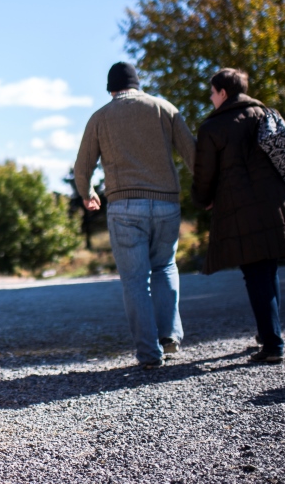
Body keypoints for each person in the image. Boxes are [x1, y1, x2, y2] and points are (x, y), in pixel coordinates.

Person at [74, 62, 196, 369]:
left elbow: (82, 166)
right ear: (137, 84)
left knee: (135, 281)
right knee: (166, 266)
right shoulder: (164, 108)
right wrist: (205, 191)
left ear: (111, 89)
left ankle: (148, 353)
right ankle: (169, 337)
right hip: (167, 204)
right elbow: (192, 153)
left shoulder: (100, 117)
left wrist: (88, 193)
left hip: (125, 208)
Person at [192, 69, 285, 364]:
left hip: (239, 210)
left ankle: (272, 343)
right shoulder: (268, 114)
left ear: (223, 92)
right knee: (268, 270)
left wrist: (202, 200)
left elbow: (204, 173)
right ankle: (268, 333)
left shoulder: (213, 127)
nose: (210, 98)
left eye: (212, 92)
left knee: (254, 273)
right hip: (275, 202)